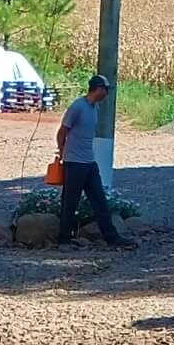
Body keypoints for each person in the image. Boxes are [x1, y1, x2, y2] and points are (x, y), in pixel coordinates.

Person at [53, 74, 134, 248]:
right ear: (98, 89)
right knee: (70, 202)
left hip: (89, 163)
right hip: (74, 163)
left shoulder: (94, 108)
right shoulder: (78, 107)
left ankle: (112, 239)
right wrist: (63, 152)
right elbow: (62, 132)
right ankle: (64, 240)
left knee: (100, 201)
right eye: (105, 90)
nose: (106, 94)